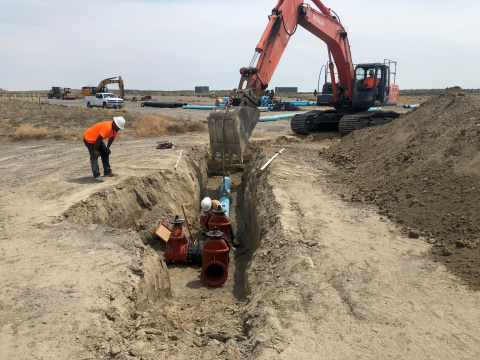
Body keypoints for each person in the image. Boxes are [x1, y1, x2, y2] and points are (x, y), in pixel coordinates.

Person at [83, 116, 125, 182]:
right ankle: (96, 175)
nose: (118, 129)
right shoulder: (107, 127)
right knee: (94, 156)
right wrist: (96, 150)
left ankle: (107, 171)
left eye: (119, 128)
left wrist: (107, 147)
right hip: (89, 138)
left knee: (105, 152)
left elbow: (112, 138)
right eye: (118, 127)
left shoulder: (115, 129)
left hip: (97, 139)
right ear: (114, 123)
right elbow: (99, 138)